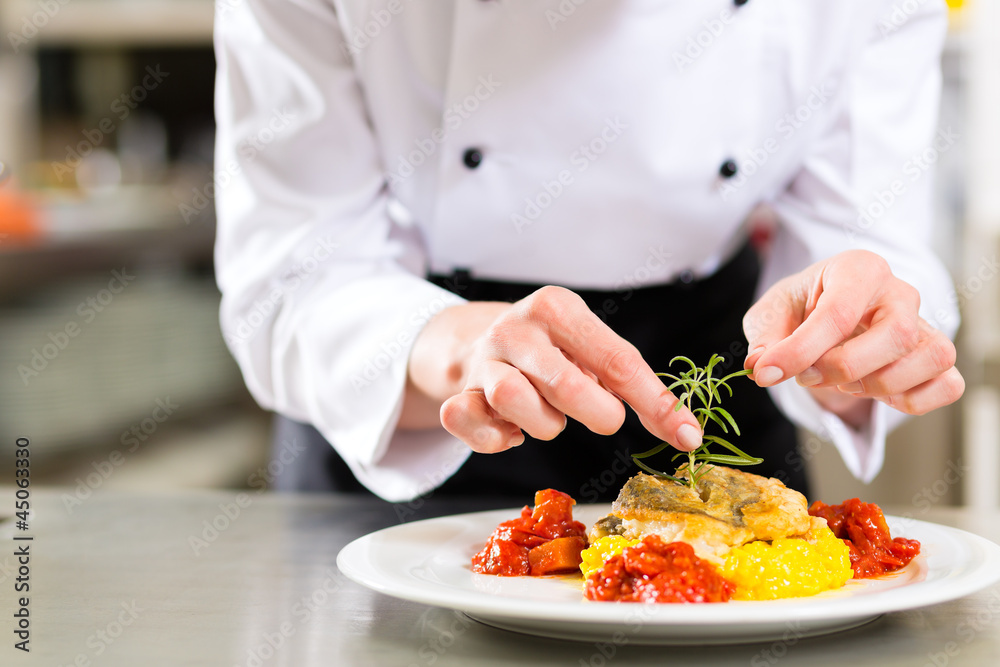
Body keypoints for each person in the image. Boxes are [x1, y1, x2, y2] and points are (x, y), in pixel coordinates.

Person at [213, 0, 964, 502]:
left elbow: (861, 235)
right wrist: (456, 349)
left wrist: (852, 341)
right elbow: (294, 272)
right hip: (416, 395)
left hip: (709, 388)